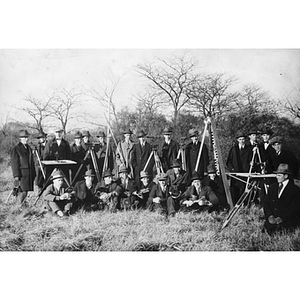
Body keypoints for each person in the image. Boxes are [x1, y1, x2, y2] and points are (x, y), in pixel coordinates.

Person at [262, 163, 300, 235]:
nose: (277, 177)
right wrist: (270, 216)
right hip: (271, 223)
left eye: (279, 175)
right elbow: (266, 203)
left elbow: (295, 209)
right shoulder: (272, 187)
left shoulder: (294, 190)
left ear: (286, 176)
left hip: (287, 223)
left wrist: (281, 218)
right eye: (276, 175)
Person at [11, 129, 36, 206]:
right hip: (21, 175)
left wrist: (33, 174)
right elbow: (14, 163)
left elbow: (32, 162)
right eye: (24, 137)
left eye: (27, 137)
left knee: (26, 191)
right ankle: (19, 207)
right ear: (20, 138)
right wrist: (16, 176)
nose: (26, 139)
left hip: (28, 174)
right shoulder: (16, 149)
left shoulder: (29, 148)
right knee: (20, 191)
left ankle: (23, 205)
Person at [226, 131, 252, 204]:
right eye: (240, 139)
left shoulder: (249, 149)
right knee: (235, 190)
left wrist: (251, 164)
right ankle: (235, 205)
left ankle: (245, 205)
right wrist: (232, 170)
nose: (242, 141)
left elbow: (251, 160)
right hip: (236, 174)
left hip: (245, 173)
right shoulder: (233, 149)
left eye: (243, 139)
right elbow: (229, 162)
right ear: (237, 140)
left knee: (245, 189)